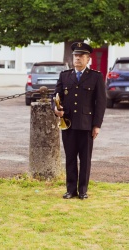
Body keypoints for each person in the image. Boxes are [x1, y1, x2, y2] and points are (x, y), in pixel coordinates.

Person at [53, 42, 106, 199]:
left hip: (86, 125)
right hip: (67, 124)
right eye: (76, 55)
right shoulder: (65, 75)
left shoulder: (96, 77)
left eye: (81, 56)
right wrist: (55, 110)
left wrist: (97, 125)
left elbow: (101, 103)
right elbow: (56, 96)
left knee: (85, 160)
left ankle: (82, 190)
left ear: (88, 58)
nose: (77, 58)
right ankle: (71, 190)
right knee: (70, 158)